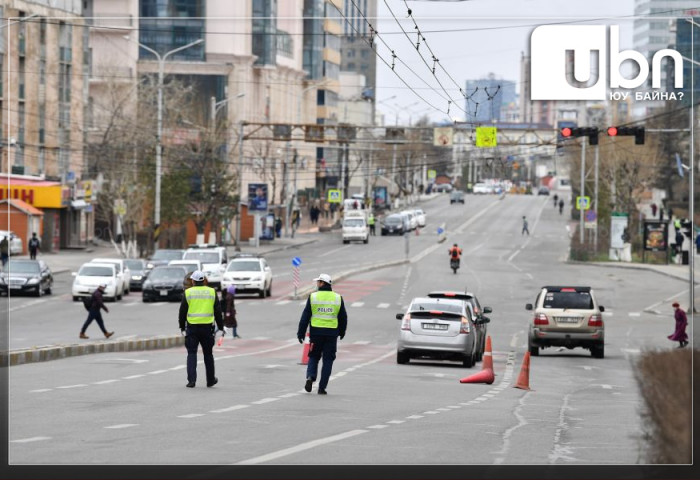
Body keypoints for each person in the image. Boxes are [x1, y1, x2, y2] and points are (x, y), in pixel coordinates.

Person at [297, 273, 347, 395]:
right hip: (331, 334)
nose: (317, 284)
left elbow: (305, 316)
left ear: (322, 283)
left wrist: (301, 332)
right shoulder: (337, 298)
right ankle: (322, 387)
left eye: (318, 282)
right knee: (328, 360)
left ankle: (310, 377)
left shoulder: (313, 297)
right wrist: (342, 331)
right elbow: (343, 317)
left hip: (316, 333)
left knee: (313, 356)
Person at [178, 271, 224, 388]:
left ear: (193, 281)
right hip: (207, 329)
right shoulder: (212, 292)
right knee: (208, 354)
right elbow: (218, 312)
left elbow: (182, 312)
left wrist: (182, 327)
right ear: (203, 280)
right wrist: (221, 327)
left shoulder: (188, 293)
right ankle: (210, 380)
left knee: (191, 353)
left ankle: (192, 381)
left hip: (192, 328)